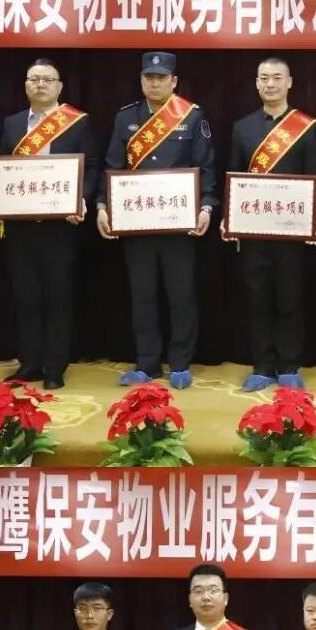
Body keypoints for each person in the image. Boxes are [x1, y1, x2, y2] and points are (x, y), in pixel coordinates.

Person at [97, 51, 217, 390]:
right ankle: (147, 364)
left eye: (161, 77)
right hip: (137, 224)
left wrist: (207, 208)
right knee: (143, 295)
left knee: (181, 295)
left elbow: (206, 167)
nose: (155, 83)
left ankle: (180, 363)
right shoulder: (126, 117)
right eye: (149, 77)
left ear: (174, 81)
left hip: (179, 225)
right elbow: (112, 166)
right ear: (141, 81)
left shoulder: (192, 116)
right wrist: (103, 205)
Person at [0, 58, 99, 390]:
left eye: (48, 79)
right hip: (21, 228)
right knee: (27, 297)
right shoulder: (12, 123)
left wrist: (82, 199)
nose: (41, 84)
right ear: (25, 85)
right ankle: (30, 363)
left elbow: (92, 166)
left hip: (59, 227)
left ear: (59, 86)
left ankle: (55, 367)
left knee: (58, 298)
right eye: (34, 79)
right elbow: (4, 169)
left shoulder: (77, 122)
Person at [224, 56, 316, 393]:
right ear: (256, 83)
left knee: (290, 298)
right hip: (253, 231)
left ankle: (289, 365)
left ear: (289, 82)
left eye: (277, 77)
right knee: (258, 298)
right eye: (264, 78)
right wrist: (229, 216)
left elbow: (314, 175)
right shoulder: (242, 127)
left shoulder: (306, 126)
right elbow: (233, 175)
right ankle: (262, 366)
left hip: (292, 230)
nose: (270, 84)